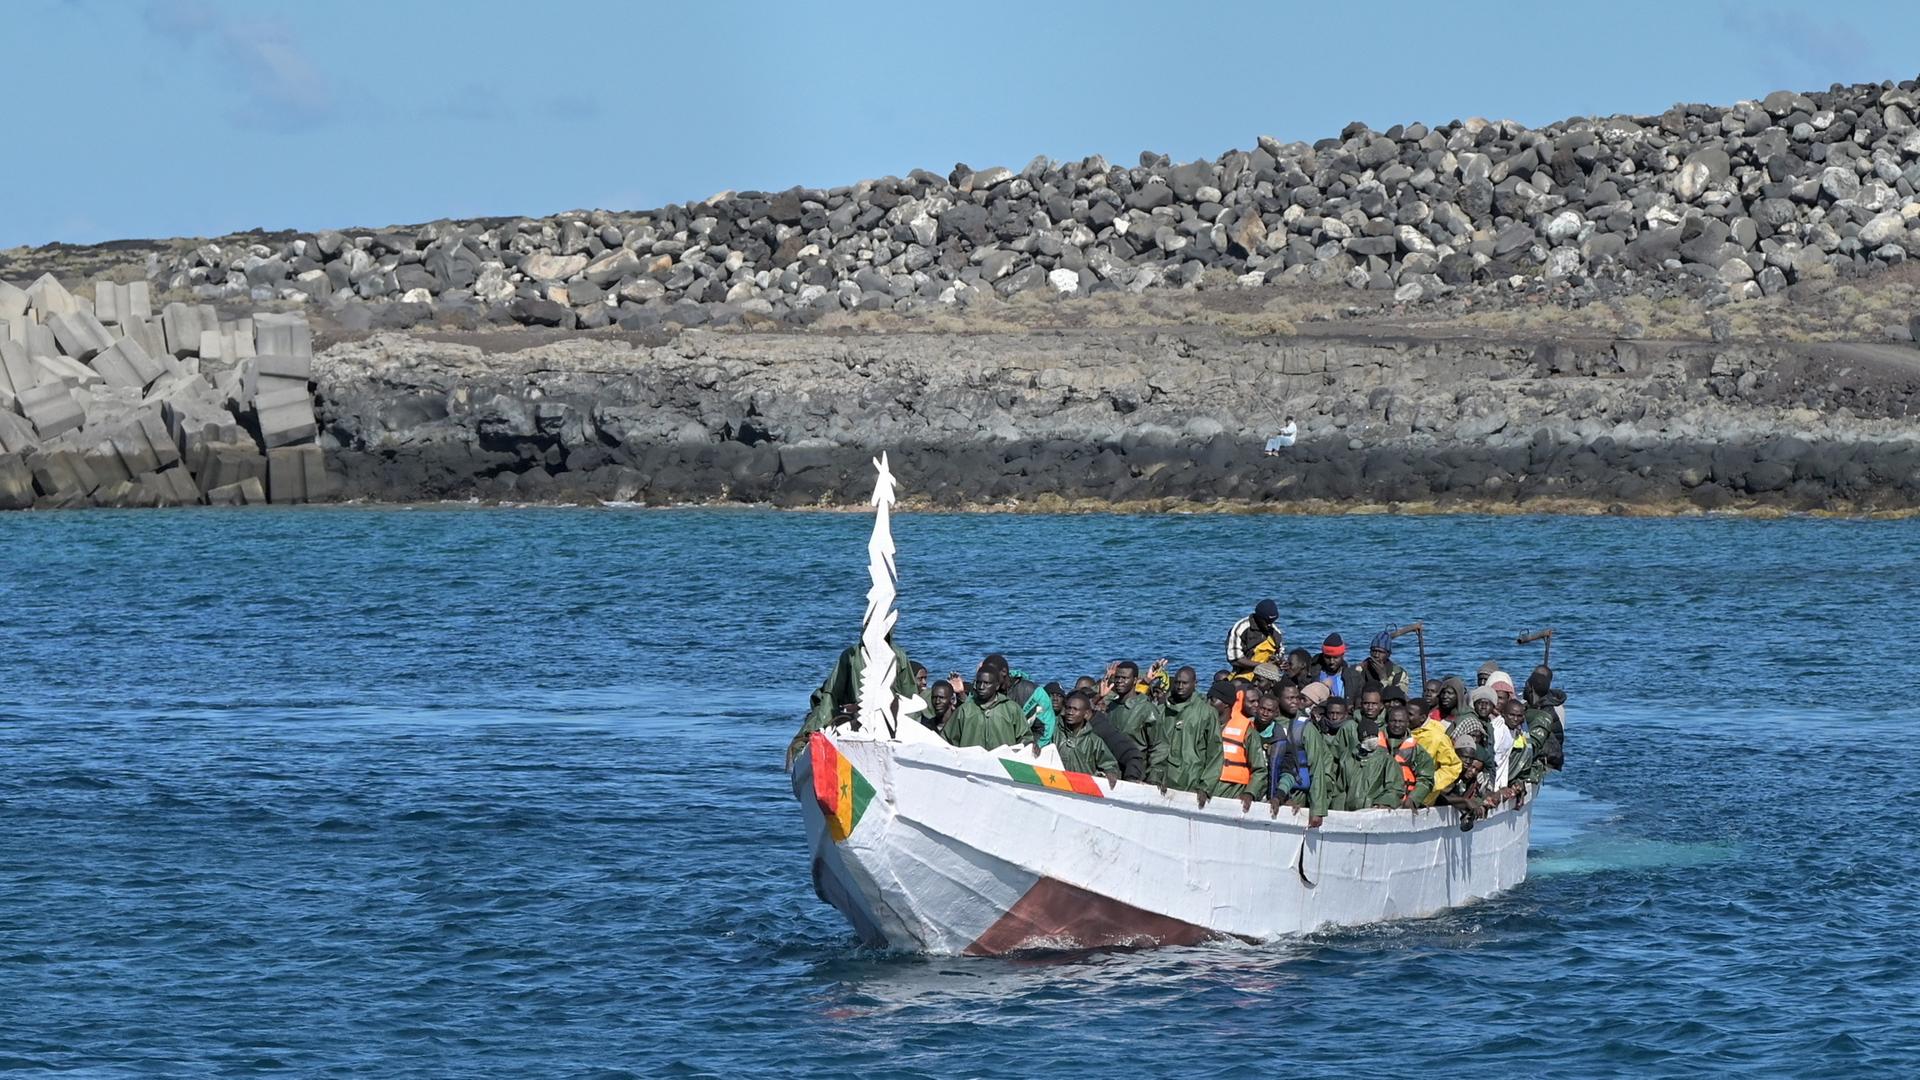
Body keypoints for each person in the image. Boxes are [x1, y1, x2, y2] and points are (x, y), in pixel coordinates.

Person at [789, 636, 919, 764]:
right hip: (851, 715)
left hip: (888, 717)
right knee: (809, 735)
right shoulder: (850, 655)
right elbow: (831, 695)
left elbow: (909, 695)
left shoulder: (899, 656)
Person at [1166, 681, 1267, 804]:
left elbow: (1260, 770)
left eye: (1213, 700)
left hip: (1231, 790)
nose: (1208, 704)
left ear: (1226, 704)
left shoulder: (1247, 731)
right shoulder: (1201, 724)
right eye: (1207, 699)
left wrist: (1250, 793)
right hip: (1198, 787)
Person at [1355, 702, 1436, 808]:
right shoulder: (1373, 742)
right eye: (1393, 721)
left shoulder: (1416, 750)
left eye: (1401, 721)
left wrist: (1414, 798)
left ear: (1408, 723)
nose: (1397, 725)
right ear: (1387, 722)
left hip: (1403, 803)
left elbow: (1426, 778)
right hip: (1371, 801)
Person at [943, 662, 1027, 750]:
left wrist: (1030, 745)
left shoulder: (1011, 709)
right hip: (972, 761)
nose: (981, 687)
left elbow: (1025, 737)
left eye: (986, 683)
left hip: (1003, 761)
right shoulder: (964, 710)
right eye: (978, 683)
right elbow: (947, 740)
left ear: (997, 686)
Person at [1154, 666, 1214, 788]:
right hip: (1163, 777)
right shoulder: (1161, 710)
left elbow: (1215, 751)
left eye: (1185, 683)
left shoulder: (1207, 712)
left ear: (1195, 684)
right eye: (1177, 682)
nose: (1180, 687)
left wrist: (1206, 786)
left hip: (1192, 777)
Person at [1054, 690, 1120, 780]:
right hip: (1054, 782)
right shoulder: (1054, 732)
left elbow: (1110, 765)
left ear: (1086, 714)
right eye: (1068, 708)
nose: (1070, 712)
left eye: (1075, 709)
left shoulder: (1094, 741)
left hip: (1083, 787)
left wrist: (1109, 773)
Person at [1410, 699, 1464, 806]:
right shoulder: (1405, 732)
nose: (1405, 717)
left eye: (1410, 714)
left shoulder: (1437, 737)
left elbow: (1453, 766)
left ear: (1422, 718)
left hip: (1424, 800)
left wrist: (1431, 783)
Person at [1226, 599, 1284, 675]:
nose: (1269, 625)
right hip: (1244, 672)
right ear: (1258, 617)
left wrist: (1280, 662)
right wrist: (1261, 666)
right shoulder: (1241, 628)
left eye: (1272, 621)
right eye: (1266, 621)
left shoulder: (1275, 632)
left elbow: (1280, 653)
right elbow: (1234, 658)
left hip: (1269, 674)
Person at [1354, 631, 1410, 697]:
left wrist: (1383, 677)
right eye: (1374, 651)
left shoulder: (1399, 674)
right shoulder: (1361, 668)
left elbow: (1399, 697)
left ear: (1388, 654)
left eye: (1381, 652)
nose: (1376, 655)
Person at [1314, 634, 1358, 706]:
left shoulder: (1353, 676)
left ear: (1342, 655)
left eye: (1335, 657)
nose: (1332, 661)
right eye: (1328, 657)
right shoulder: (1313, 673)